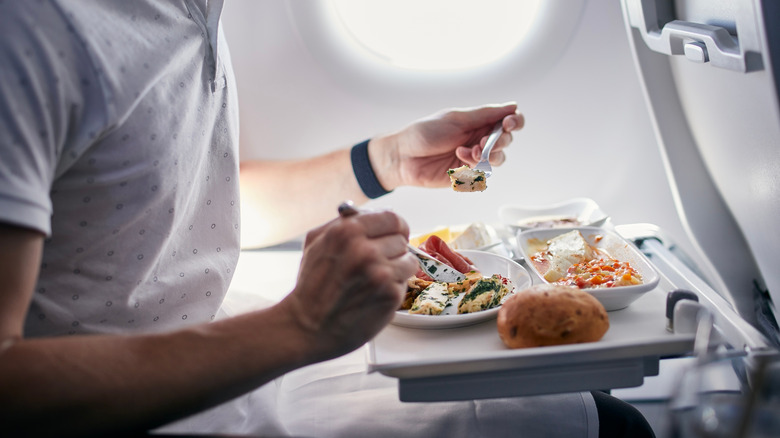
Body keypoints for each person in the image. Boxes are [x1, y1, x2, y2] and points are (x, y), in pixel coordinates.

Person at [0, 1, 654, 437]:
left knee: (597, 415)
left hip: (234, 355)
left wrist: (386, 160)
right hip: (152, 405)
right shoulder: (33, 34)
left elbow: (181, 209)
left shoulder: (192, 11)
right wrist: (300, 325)